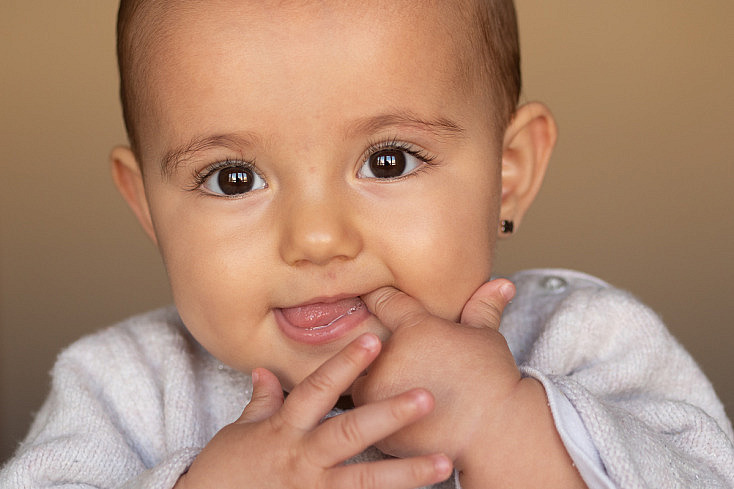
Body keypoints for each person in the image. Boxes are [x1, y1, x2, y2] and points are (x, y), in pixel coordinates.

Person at [2, 0, 732, 487]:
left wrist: (502, 423)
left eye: (389, 160)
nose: (316, 238)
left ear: (507, 174)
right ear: (149, 207)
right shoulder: (124, 387)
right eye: (232, 177)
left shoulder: (589, 339)